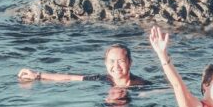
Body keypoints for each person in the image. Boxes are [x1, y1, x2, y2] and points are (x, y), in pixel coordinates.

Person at [17, 43, 150, 87]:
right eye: (111, 61)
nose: (116, 66)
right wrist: (37, 75)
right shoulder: (103, 79)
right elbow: (70, 78)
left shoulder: (141, 85)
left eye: (120, 61)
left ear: (130, 63)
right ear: (105, 63)